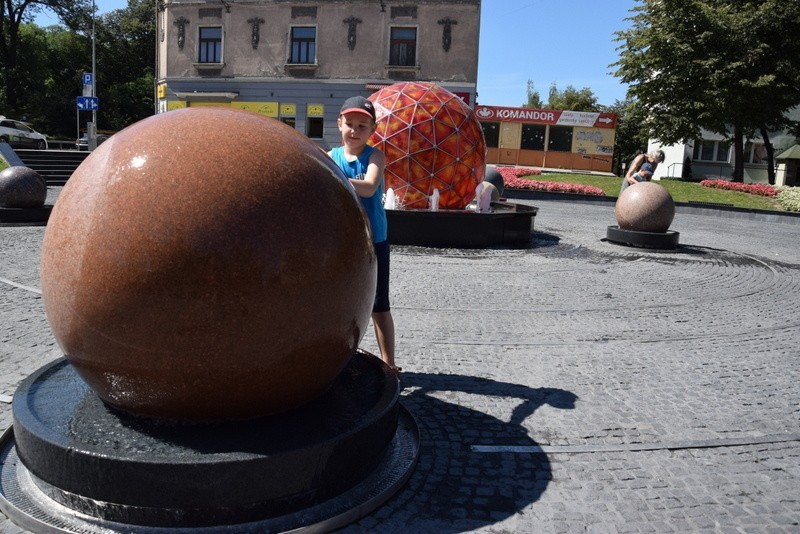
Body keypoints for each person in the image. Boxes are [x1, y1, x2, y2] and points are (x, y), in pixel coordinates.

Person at [328, 96, 399, 373]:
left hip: (373, 240)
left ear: (373, 130)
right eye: (349, 124)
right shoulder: (330, 157)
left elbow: (369, 187)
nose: (354, 131)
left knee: (379, 304)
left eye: (362, 126)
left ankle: (389, 365)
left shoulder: (375, 156)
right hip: (342, 242)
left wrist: (330, 174)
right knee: (339, 300)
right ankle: (334, 358)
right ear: (339, 124)